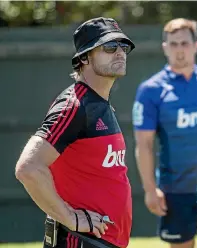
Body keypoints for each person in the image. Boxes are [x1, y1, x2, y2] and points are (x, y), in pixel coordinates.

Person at [15, 17, 135, 248]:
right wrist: (69, 217)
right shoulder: (74, 106)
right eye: (109, 47)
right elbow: (28, 168)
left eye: (124, 46)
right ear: (84, 57)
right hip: (78, 241)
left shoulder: (100, 104)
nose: (120, 52)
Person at [132, 18, 197, 248]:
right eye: (174, 44)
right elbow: (144, 144)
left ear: (196, 46)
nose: (180, 50)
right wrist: (150, 189)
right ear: (165, 47)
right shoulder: (151, 90)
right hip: (176, 189)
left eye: (185, 43)